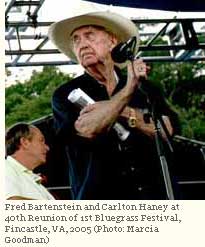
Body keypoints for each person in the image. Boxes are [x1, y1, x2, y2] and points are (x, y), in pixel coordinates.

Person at [48, 11, 180, 199]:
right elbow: (87, 129)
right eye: (76, 40)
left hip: (155, 195)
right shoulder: (65, 94)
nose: (82, 44)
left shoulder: (144, 88)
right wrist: (127, 91)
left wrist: (126, 113)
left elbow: (167, 130)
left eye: (89, 36)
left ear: (112, 41)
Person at [5, 123, 55, 200]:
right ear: (25, 142)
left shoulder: (31, 178)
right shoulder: (5, 167)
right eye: (41, 141)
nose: (47, 148)